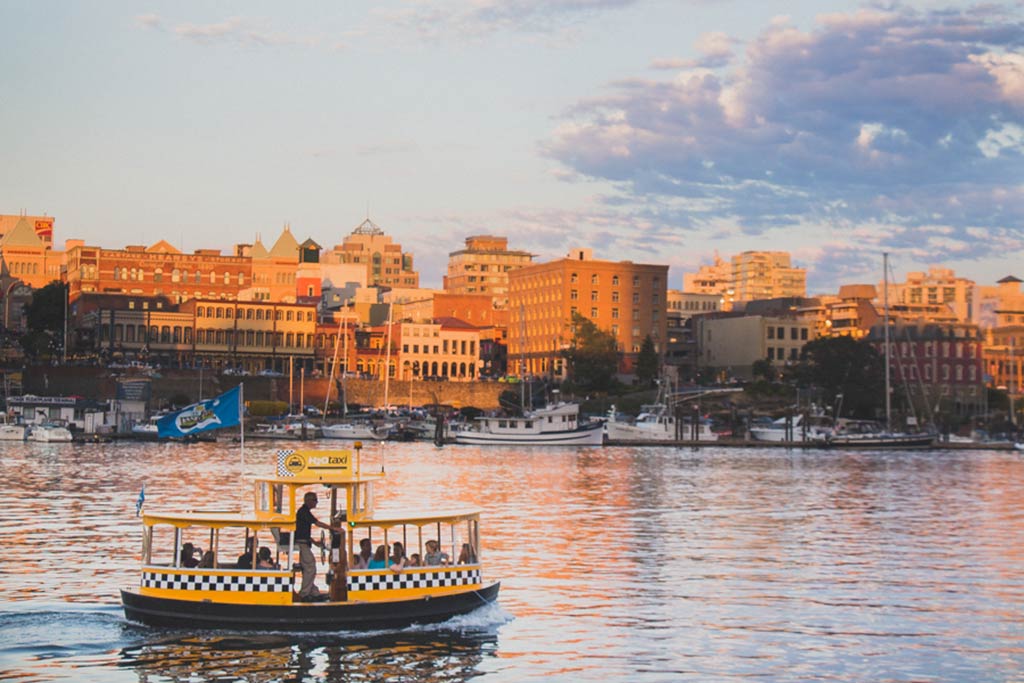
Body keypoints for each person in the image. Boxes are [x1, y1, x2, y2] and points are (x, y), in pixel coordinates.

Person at [294, 491, 341, 602]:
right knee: (310, 567)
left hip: (305, 542)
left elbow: (303, 531)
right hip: (302, 544)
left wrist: (314, 542)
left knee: (308, 569)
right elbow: (317, 523)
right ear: (308, 501)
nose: (317, 502)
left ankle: (313, 592)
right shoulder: (303, 512)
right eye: (315, 500)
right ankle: (304, 594)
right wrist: (333, 528)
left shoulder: (304, 512)